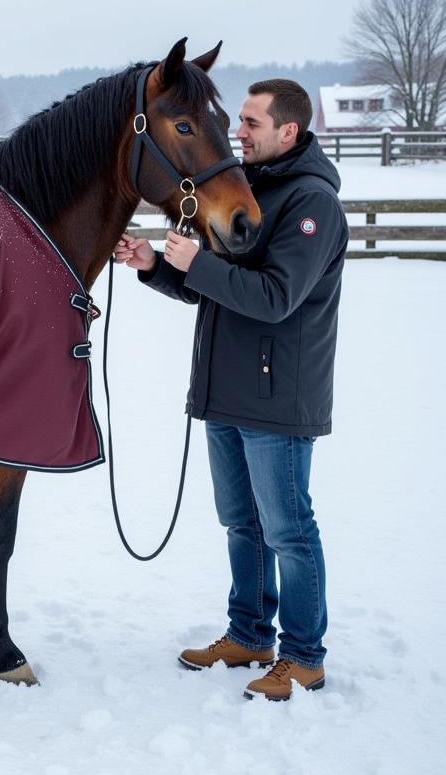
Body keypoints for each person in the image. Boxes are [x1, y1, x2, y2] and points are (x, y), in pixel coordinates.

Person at [114, 79, 348, 700]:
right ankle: (249, 634)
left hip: (278, 400)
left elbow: (275, 299)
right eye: (239, 121)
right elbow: (212, 291)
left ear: (288, 132)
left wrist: (200, 263)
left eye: (250, 122)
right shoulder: (251, 191)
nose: (237, 131)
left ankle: (304, 656)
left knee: (289, 530)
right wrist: (157, 268)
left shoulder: (311, 203)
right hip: (226, 392)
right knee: (241, 523)